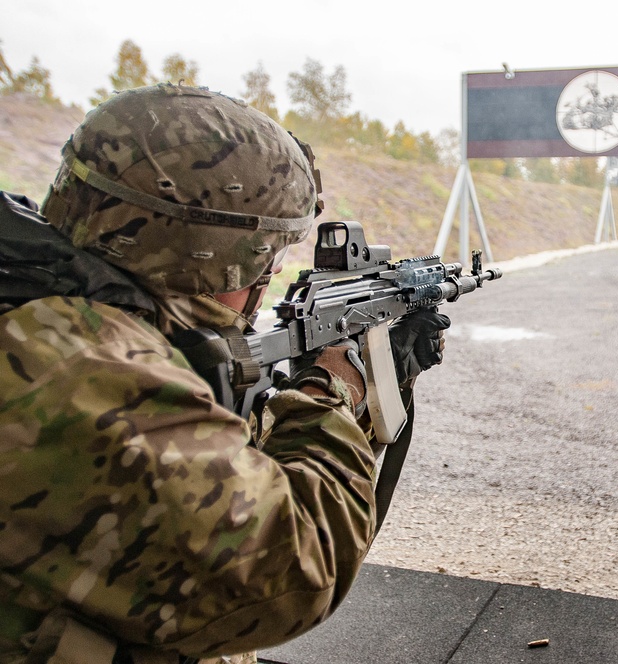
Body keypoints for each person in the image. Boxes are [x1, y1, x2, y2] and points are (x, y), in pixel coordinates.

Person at [0, 84, 447, 663]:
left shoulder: (48, 295)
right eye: (268, 255)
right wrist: (332, 387)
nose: (271, 277)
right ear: (210, 252)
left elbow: (202, 462)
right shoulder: (72, 368)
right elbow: (293, 569)